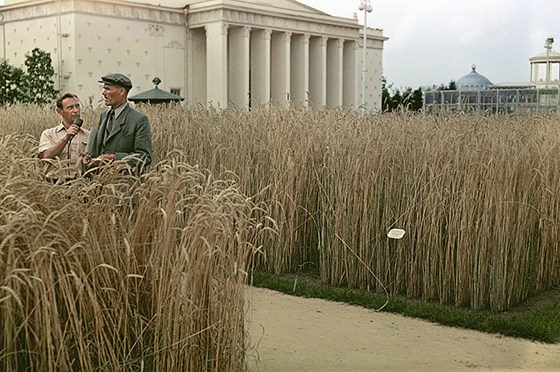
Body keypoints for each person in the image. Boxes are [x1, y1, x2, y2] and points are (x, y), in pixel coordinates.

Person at [83, 73, 152, 174]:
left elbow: (144, 157)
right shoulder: (104, 115)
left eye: (107, 89)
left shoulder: (139, 119)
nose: (103, 93)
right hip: (101, 182)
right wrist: (88, 156)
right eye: (104, 89)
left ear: (121, 91)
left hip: (124, 184)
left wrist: (113, 158)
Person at [39, 92, 90, 183]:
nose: (76, 110)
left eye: (77, 106)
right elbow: (46, 156)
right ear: (60, 111)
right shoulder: (48, 134)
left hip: (79, 184)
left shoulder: (88, 135)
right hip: (53, 184)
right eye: (70, 107)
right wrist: (65, 138)